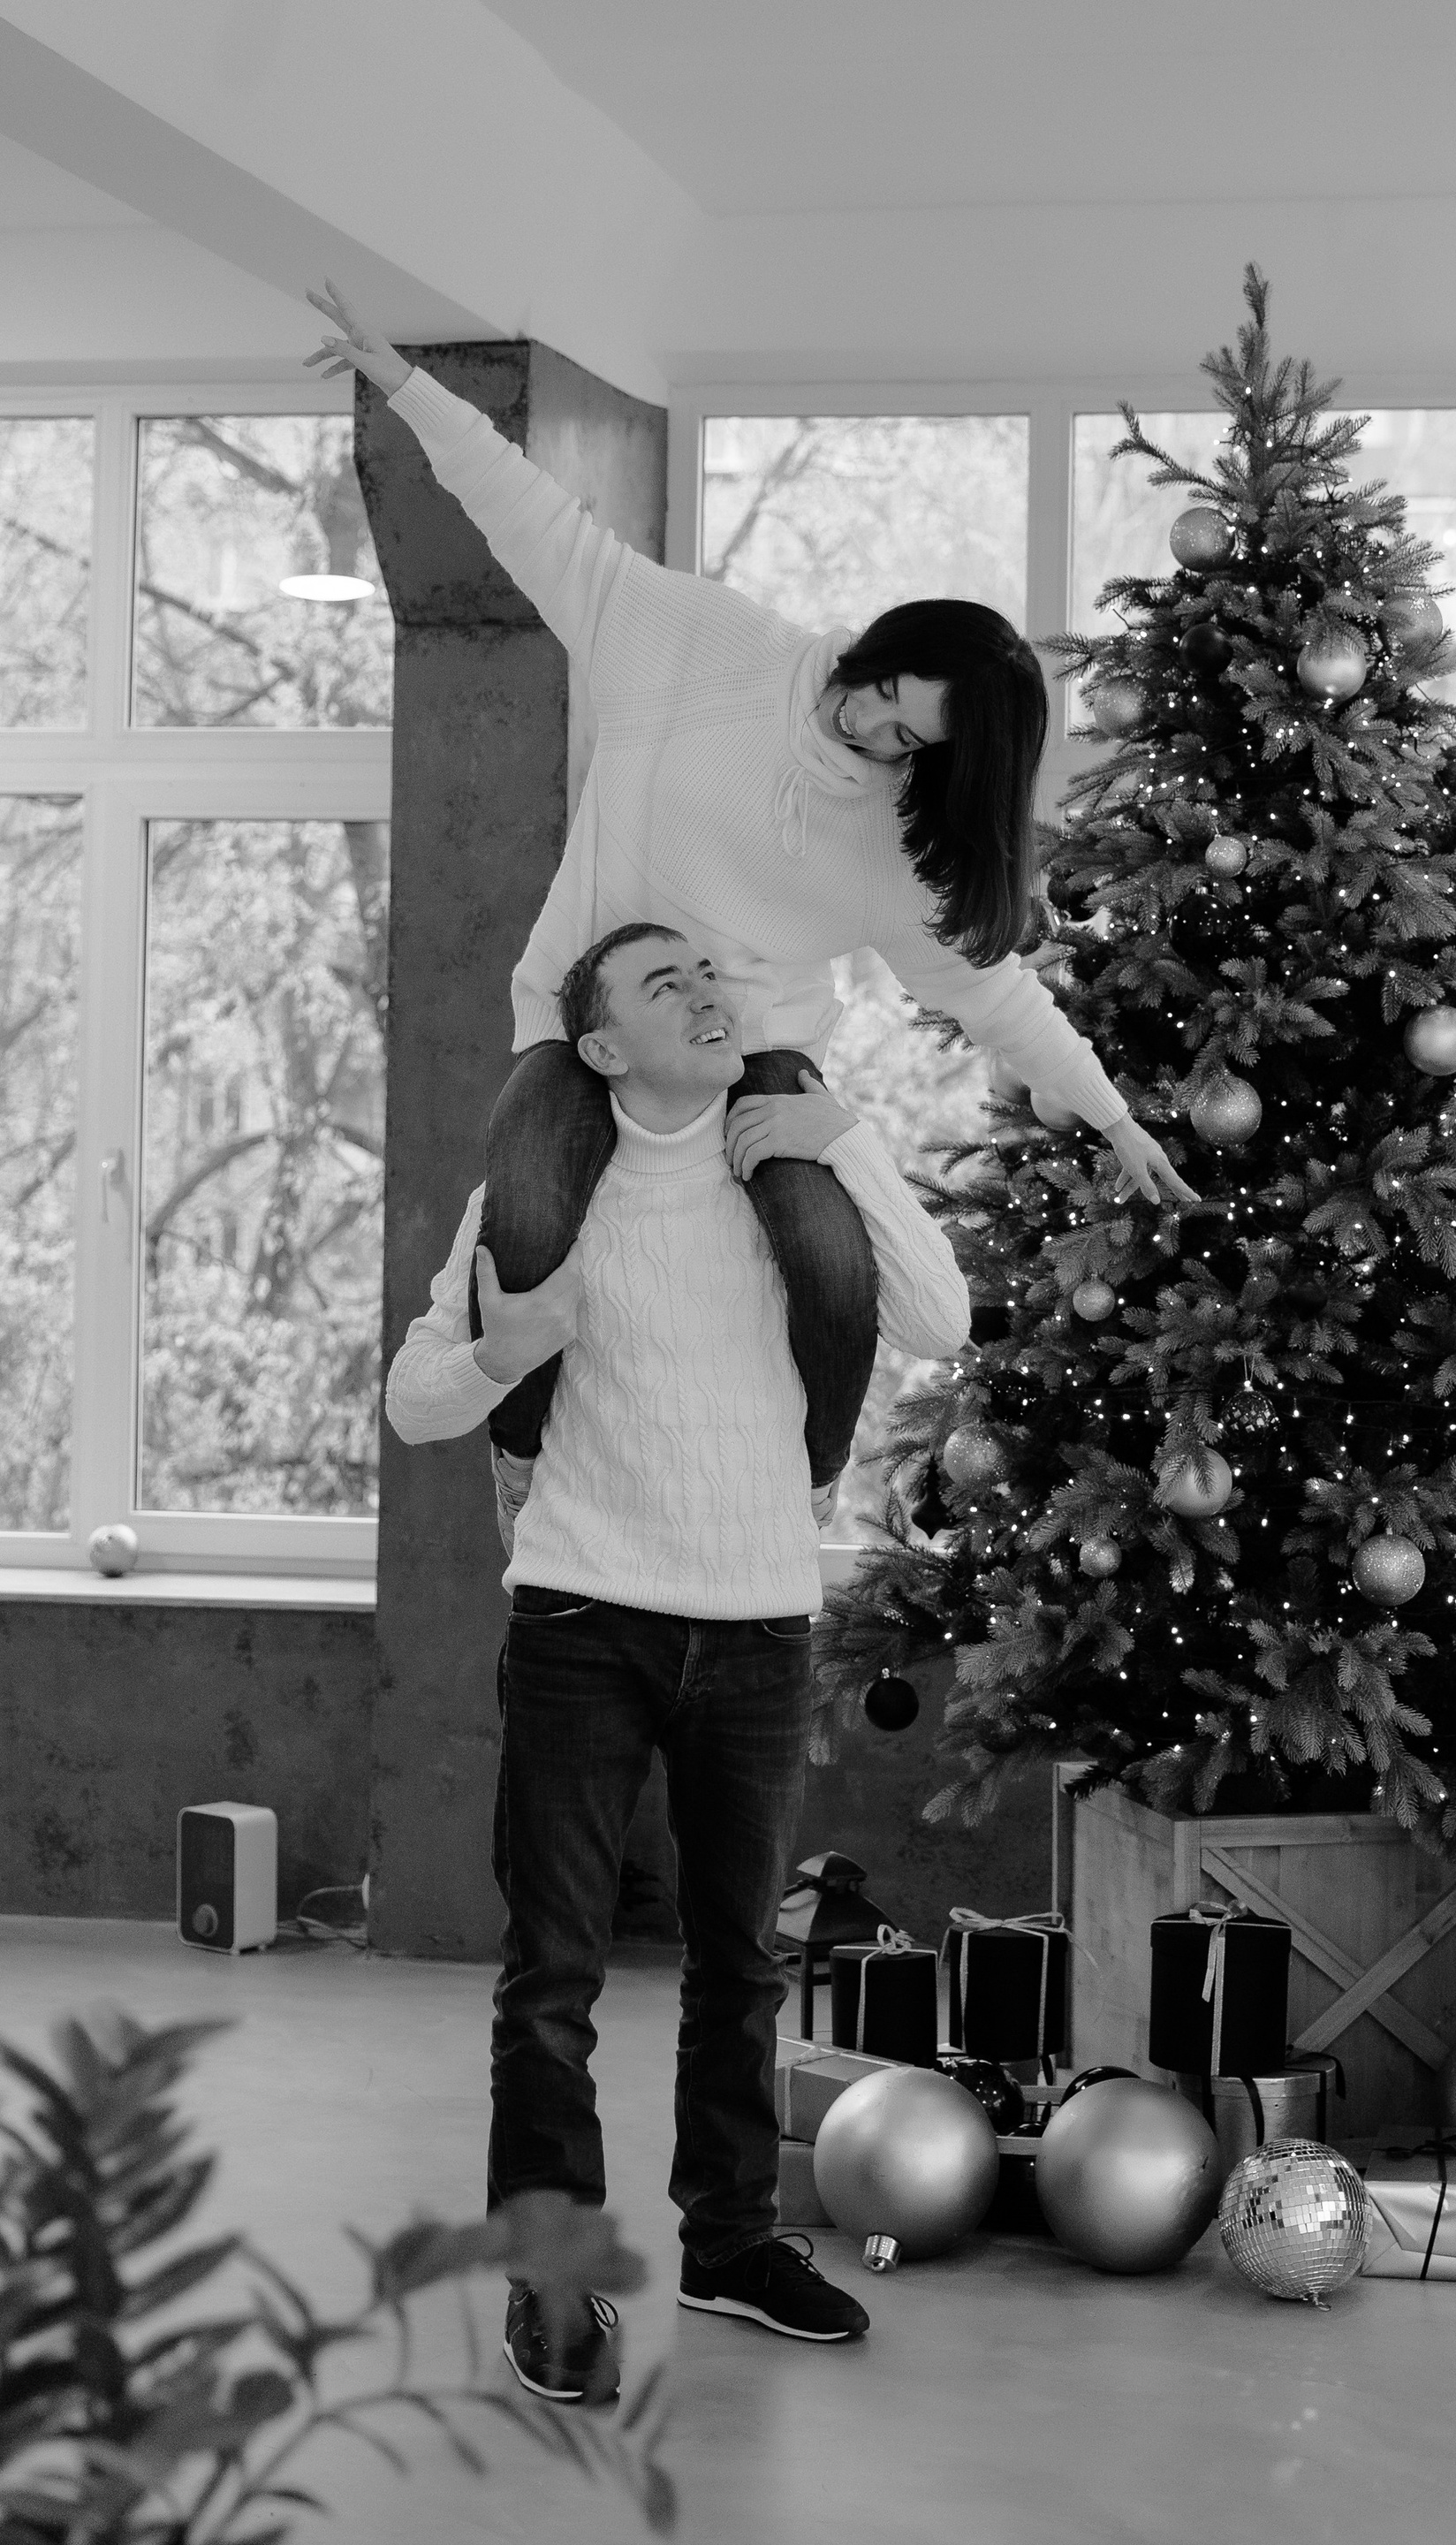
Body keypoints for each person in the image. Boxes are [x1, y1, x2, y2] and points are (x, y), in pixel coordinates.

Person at [309, 284, 1197, 1515]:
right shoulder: (706, 647)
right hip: (590, 1019)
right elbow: (540, 523)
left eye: (905, 738)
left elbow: (994, 997)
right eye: (880, 690)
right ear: (880, 646)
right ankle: (520, 1458)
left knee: (830, 1269)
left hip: (756, 1054)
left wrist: (1113, 1119)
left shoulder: (895, 841)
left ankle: (808, 1477)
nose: (866, 726)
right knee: (527, 1212)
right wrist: (413, 392)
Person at [385, 921, 971, 2397]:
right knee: (552, 1977)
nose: (708, 994)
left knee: (742, 1967)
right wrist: (508, 1348)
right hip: (581, 1620)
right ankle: (553, 2279)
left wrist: (849, 1141)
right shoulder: (535, 1205)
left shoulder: (796, 1180)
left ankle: (731, 2246)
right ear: (602, 1047)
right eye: (667, 985)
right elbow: (416, 1400)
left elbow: (943, 1319)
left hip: (761, 1622)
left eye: (710, 974)